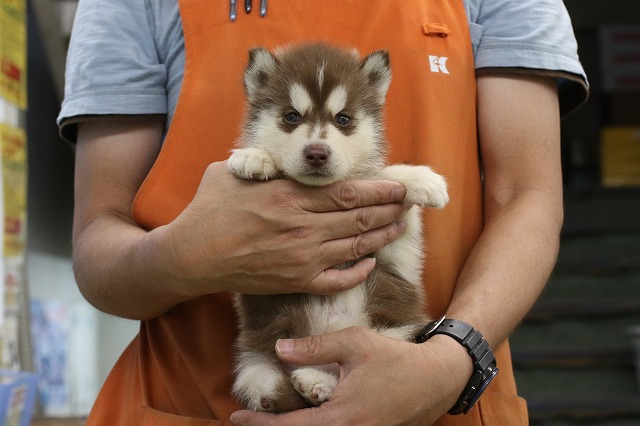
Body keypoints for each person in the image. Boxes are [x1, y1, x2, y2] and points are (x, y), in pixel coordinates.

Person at [57, 0, 588, 424]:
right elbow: (98, 242)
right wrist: (182, 257)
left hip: (440, 399)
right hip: (197, 401)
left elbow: (527, 197)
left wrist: (450, 360)